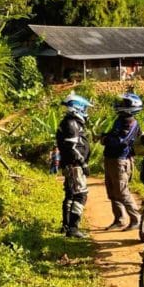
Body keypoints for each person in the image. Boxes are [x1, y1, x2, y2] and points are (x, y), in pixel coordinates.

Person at [102, 92, 143, 231]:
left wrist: (106, 139)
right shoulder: (120, 119)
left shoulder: (130, 122)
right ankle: (119, 219)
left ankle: (136, 219)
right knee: (112, 191)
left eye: (124, 103)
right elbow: (114, 135)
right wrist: (106, 137)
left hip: (120, 160)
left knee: (122, 191)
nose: (120, 105)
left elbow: (120, 141)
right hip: (111, 159)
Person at [56, 93, 92, 238]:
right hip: (74, 165)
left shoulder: (70, 122)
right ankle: (73, 227)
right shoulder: (71, 123)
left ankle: (67, 225)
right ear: (77, 108)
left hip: (71, 164)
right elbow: (71, 147)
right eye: (84, 108)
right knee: (80, 194)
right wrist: (82, 163)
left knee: (71, 193)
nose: (86, 111)